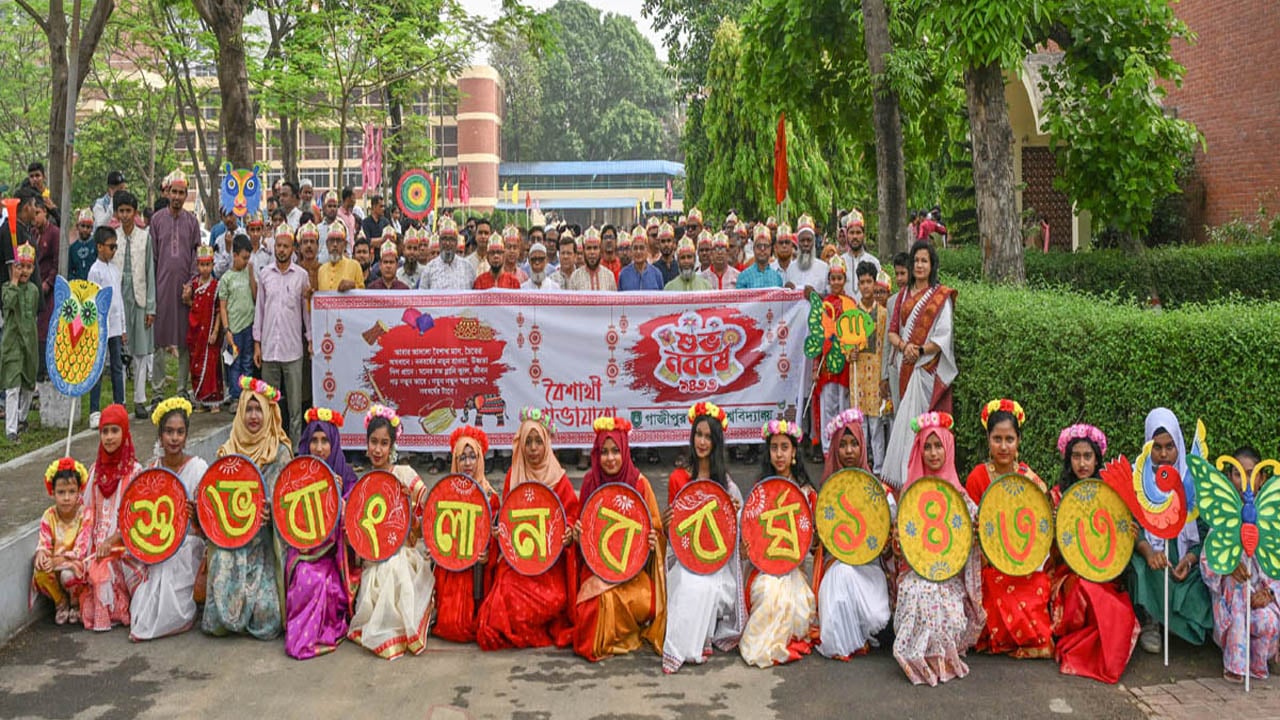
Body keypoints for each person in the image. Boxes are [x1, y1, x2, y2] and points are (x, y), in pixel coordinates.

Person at [892, 411, 985, 686]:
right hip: (915, 573)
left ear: (949, 448)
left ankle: (940, 658)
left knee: (945, 606)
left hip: (949, 576)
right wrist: (897, 544)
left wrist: (975, 534)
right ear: (918, 451)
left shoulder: (961, 496)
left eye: (938, 446)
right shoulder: (909, 495)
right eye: (927, 447)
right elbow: (900, 549)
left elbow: (970, 542)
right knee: (916, 592)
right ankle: (915, 658)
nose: (933, 453)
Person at [477, 408, 580, 650]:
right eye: (528, 442)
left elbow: (572, 516)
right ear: (520, 445)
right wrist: (499, 533)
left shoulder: (559, 478)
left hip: (550, 563)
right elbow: (507, 517)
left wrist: (568, 534)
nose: (533, 448)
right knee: (504, 596)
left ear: (547, 443)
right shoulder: (514, 475)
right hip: (518, 561)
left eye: (538, 442)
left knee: (556, 598)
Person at [1050, 424, 1139, 684]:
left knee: (1115, 608)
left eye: (1087, 456)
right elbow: (1053, 548)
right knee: (1081, 589)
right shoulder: (1058, 495)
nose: (1082, 463)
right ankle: (1078, 648)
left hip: (1105, 570)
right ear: (1069, 461)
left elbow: (1117, 537)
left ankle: (1100, 655)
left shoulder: (1110, 494)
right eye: (1076, 457)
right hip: (1070, 571)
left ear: (1097, 459)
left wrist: (1128, 531)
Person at [963, 399, 1053, 658]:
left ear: (1019, 442)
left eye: (1009, 439)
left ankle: (1029, 639)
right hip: (988, 562)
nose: (1003, 446)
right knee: (993, 584)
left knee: (1036, 582)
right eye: (997, 439)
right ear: (988, 441)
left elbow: (1042, 525)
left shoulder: (1029, 479)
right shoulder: (978, 477)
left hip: (1023, 560)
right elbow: (969, 530)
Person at [204, 377, 292, 639]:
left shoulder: (281, 453)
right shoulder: (227, 452)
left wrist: (272, 515)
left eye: (259, 409)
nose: (254, 416)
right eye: (248, 409)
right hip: (231, 539)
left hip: (265, 542)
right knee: (221, 575)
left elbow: (289, 508)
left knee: (268, 616)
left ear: (268, 412)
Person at [573, 417, 666, 661]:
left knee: (647, 603)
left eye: (616, 451)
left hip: (632, 571)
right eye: (603, 452)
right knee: (591, 613)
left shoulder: (639, 483)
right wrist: (577, 535)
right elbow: (583, 535)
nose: (610, 458)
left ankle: (624, 634)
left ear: (625, 451)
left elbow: (655, 527)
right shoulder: (589, 482)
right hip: (597, 569)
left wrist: (655, 542)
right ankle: (620, 637)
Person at [348, 405, 436, 659]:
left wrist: (408, 508)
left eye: (384, 443)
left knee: (395, 569)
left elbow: (422, 527)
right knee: (376, 579)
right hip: (373, 556)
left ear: (392, 447)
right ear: (366, 445)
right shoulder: (363, 484)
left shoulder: (404, 475)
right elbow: (359, 534)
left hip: (403, 552)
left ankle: (402, 629)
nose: (377, 450)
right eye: (373, 442)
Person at [662, 402, 744, 673]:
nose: (702, 441)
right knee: (687, 583)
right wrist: (666, 525)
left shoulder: (727, 485)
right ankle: (680, 650)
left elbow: (734, 538)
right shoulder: (678, 478)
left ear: (717, 442)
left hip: (715, 560)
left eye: (708, 436)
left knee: (708, 586)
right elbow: (674, 534)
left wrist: (734, 515)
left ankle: (697, 643)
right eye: (698, 434)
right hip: (685, 557)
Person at [1128, 408, 1213, 654]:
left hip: (1183, 558)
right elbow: (1133, 526)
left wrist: (1190, 558)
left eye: (1170, 446)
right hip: (1153, 556)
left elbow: (1204, 530)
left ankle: (1182, 625)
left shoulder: (1192, 480)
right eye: (1157, 447)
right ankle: (1152, 622)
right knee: (1141, 569)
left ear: (1179, 446)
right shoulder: (1138, 478)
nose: (1164, 454)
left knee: (1203, 577)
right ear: (1147, 447)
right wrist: (1148, 552)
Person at [815, 408, 894, 660]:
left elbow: (890, 542)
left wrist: (888, 543)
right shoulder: (825, 493)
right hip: (836, 566)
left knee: (877, 618)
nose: (849, 451)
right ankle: (844, 642)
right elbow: (817, 544)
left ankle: (864, 633)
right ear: (834, 450)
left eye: (854, 444)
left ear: (863, 447)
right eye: (843, 445)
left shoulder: (880, 492)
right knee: (842, 574)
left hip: (870, 569)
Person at [740, 419, 817, 667]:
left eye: (785, 447)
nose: (779, 454)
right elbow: (750, 536)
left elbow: (812, 544)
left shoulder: (806, 494)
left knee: (798, 607)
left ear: (794, 452)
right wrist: (745, 549)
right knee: (768, 592)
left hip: (794, 569)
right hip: (763, 568)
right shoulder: (759, 492)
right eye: (774, 448)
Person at [1201, 446, 1280, 682]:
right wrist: (1227, 567)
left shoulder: (1271, 521)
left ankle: (1258, 666)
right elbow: (1207, 561)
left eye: (1251, 473)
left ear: (1262, 478)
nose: (1245, 481)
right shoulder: (1222, 521)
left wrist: (1269, 593)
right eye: (1238, 474)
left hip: (1261, 603)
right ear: (1228, 478)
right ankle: (1235, 663)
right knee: (1238, 585)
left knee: (1266, 621)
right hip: (1232, 605)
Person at [130, 398, 206, 640]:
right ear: (160, 436)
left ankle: (174, 620)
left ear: (186, 435)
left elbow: (209, 523)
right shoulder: (150, 470)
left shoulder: (198, 468)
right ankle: (145, 625)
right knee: (150, 582)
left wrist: (196, 518)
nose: (174, 438)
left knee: (171, 573)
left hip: (189, 544)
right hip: (157, 544)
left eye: (180, 432)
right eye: (169, 432)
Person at [882, 241, 955, 491]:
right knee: (904, 424)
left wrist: (920, 351)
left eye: (925, 261)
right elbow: (892, 332)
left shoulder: (939, 297)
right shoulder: (902, 295)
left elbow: (943, 336)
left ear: (932, 265)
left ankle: (927, 478)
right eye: (916, 261)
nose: (920, 265)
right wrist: (905, 347)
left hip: (925, 369)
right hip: (904, 366)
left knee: (923, 426)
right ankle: (905, 479)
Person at [286, 407, 355, 660]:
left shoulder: (347, 476)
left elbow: (355, 524)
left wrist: (339, 498)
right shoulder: (294, 476)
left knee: (325, 583)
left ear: (334, 443)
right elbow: (290, 522)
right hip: (303, 553)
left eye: (325, 440)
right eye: (314, 441)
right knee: (306, 577)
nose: (319, 447)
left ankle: (318, 637)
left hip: (334, 558)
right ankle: (302, 639)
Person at [78, 404, 146, 631]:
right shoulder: (95, 472)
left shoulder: (135, 471)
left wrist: (112, 542)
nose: (109, 437)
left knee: (108, 574)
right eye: (104, 432)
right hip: (97, 546)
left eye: (114, 431)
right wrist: (89, 546)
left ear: (125, 433)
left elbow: (138, 520)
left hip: (125, 544)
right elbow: (87, 514)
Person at [432, 425, 499, 643]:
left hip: (478, 568)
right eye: (462, 457)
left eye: (472, 457)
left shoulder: (491, 497)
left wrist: (488, 555)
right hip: (451, 563)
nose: (468, 463)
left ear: (480, 460)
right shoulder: (444, 492)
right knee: (450, 624)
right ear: (455, 461)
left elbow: (494, 536)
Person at [254, 228, 311, 441]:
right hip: (269, 349)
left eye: (286, 246)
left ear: (293, 249)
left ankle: (295, 447)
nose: (281, 250)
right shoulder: (265, 274)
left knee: (295, 406)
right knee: (269, 403)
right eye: (278, 245)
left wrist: (311, 341)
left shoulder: (301, 276)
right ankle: (271, 443)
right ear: (274, 247)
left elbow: (306, 314)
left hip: (293, 349)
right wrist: (257, 344)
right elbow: (259, 310)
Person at [149, 170, 201, 400]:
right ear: (167, 193)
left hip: (184, 291)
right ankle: (158, 390)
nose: (177, 197)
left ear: (186, 195)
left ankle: (181, 389)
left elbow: (196, 255)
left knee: (184, 341)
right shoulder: (157, 220)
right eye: (174, 192)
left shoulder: (192, 222)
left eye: (181, 193)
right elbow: (153, 258)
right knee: (159, 341)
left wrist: (190, 284)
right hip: (161, 289)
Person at [113, 192, 156, 422]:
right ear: (116, 213)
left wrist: (151, 307)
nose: (125, 215)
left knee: (140, 350)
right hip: (119, 299)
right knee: (120, 351)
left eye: (129, 211)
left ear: (135, 212)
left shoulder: (144, 237)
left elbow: (150, 272)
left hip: (139, 297)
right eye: (121, 211)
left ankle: (139, 399)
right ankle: (120, 401)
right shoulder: (113, 238)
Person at [32, 458, 91, 625]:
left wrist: (59, 560)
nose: (66, 498)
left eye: (72, 492)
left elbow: (81, 550)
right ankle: (60, 602)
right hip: (54, 564)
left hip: (76, 566)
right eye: (61, 492)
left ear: (80, 491)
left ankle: (75, 603)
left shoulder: (85, 514)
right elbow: (44, 543)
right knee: (40, 571)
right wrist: (42, 555)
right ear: (53, 492)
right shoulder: (48, 515)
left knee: (68, 575)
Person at [809, 257, 854, 460]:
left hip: (844, 363)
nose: (836, 282)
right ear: (829, 280)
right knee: (828, 406)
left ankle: (844, 447)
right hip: (826, 364)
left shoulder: (851, 304)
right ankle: (828, 450)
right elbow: (816, 337)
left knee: (844, 406)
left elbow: (855, 335)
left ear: (845, 280)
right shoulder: (823, 305)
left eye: (839, 278)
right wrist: (815, 365)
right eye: (833, 278)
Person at [851, 261, 889, 474]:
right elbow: (846, 344)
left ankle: (880, 468)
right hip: (857, 374)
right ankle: (861, 465)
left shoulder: (883, 314)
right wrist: (850, 353)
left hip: (875, 375)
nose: (865, 286)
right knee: (860, 425)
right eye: (862, 282)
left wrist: (884, 378)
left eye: (869, 282)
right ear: (857, 285)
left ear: (875, 284)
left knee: (875, 424)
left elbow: (884, 347)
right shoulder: (852, 314)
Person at [85, 227, 126, 426]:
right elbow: (92, 300)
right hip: (101, 326)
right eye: (111, 247)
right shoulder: (95, 271)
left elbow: (118, 299)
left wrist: (123, 326)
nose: (113, 250)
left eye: (115, 246)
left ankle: (120, 404)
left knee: (117, 365)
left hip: (116, 325)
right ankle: (94, 410)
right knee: (99, 367)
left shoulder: (115, 269)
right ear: (100, 247)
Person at [3, 244, 39, 441]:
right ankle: (10, 429)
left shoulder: (33, 290)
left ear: (33, 269)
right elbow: (8, 304)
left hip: (29, 343)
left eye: (28, 267)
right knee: (12, 385)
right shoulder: (7, 288)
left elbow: (33, 312)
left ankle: (22, 419)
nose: (24, 271)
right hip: (13, 342)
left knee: (27, 384)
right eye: (20, 266)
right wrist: (14, 282)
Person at [218, 235, 256, 405]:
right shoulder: (226, 279)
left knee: (248, 362)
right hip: (234, 329)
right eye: (244, 258)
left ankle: (247, 396)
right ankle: (235, 396)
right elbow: (223, 307)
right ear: (234, 255)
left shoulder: (248, 272)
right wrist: (226, 330)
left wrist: (252, 274)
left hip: (249, 326)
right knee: (234, 363)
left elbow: (254, 296)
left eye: (248, 258)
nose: (246, 261)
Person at [184, 246, 223, 411]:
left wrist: (215, 331)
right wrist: (186, 299)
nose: (204, 268)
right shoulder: (193, 284)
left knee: (212, 366)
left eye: (207, 265)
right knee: (196, 364)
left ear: (213, 265)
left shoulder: (215, 286)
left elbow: (219, 311)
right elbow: (194, 306)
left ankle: (214, 401)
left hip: (209, 333)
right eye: (201, 265)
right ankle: (201, 399)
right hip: (196, 331)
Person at [423, 218, 475, 290]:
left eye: (451, 239)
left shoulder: (467, 267)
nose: (447, 243)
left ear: (456, 242)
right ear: (439, 242)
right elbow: (422, 298)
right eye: (444, 239)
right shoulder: (429, 269)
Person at [841, 210, 881, 301]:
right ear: (847, 235)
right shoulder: (840, 261)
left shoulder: (874, 262)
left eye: (858, 233)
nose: (855, 236)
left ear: (864, 235)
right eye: (851, 233)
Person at [568, 227, 617, 291]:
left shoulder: (609, 276)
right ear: (584, 250)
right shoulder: (575, 277)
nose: (592, 252)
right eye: (588, 248)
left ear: (600, 250)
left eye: (595, 248)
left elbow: (613, 300)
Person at [68, 209, 98, 282]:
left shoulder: (96, 245)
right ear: (78, 226)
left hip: (93, 284)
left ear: (92, 228)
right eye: (83, 226)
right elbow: (69, 270)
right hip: (77, 287)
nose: (85, 229)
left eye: (88, 227)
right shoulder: (73, 248)